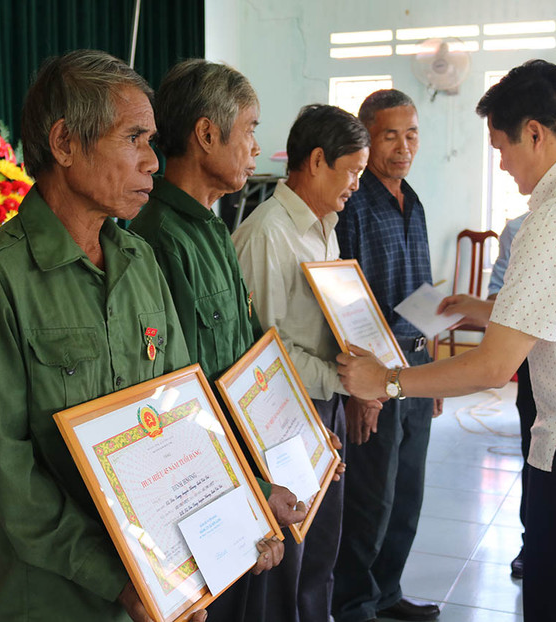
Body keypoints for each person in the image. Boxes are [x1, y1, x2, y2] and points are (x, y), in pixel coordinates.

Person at [336, 59, 556, 622]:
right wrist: (486, 308)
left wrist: (390, 381)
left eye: (501, 148)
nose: (501, 165)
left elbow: (496, 366)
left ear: (535, 133)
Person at [0, 49, 274, 622]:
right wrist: (120, 578)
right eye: (134, 139)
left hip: (150, 576)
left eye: (151, 141)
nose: (152, 161)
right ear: (66, 143)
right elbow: (6, 473)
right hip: (55, 594)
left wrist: (238, 514)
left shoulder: (139, 261)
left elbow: (180, 414)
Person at [127, 58, 311, 621]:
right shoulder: (159, 238)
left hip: (242, 469)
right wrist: (250, 487)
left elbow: (249, 355)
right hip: (206, 489)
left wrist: (296, 431)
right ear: (207, 134)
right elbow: (176, 395)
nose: (257, 146)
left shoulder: (209, 226)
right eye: (251, 128)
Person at [232, 104, 373, 622]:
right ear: (316, 161)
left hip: (322, 406)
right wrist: (344, 378)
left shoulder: (322, 227)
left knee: (321, 547)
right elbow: (260, 353)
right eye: (352, 170)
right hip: (282, 418)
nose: (357, 183)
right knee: (289, 555)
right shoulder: (267, 233)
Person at [331, 89, 442, 622]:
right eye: (390, 135)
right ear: (368, 139)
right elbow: (348, 300)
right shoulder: (353, 205)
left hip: (417, 365)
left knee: (407, 493)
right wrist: (362, 389)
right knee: (372, 496)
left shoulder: (412, 199)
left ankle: (388, 592)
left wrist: (436, 367)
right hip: (377, 370)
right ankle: (354, 605)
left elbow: (420, 291)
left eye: (412, 133)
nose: (404, 146)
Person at [486, 211, 532, 579]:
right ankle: (530, 541)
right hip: (533, 367)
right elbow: (496, 296)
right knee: (533, 458)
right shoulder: (517, 228)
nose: (502, 163)